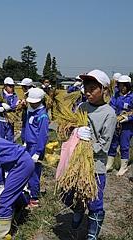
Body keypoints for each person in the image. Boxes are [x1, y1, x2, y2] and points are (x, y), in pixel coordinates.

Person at [63, 69, 117, 240]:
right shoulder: (81, 107)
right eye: (86, 88)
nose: (87, 92)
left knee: (94, 201)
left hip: (95, 166)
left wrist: (88, 145)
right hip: (76, 163)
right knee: (69, 195)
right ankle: (78, 209)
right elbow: (70, 129)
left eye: (92, 88)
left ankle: (93, 232)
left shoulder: (109, 113)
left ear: (104, 90)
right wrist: (75, 131)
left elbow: (104, 145)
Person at [23, 88, 49, 207]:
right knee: (27, 169)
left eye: (34, 102)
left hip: (35, 147)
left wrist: (38, 152)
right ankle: (29, 190)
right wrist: (25, 142)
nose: (32, 104)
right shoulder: (31, 110)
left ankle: (34, 198)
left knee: (34, 172)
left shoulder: (42, 115)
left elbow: (43, 135)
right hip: (29, 145)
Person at [107, 75, 133, 176]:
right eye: (120, 85)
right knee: (113, 144)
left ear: (128, 86)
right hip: (116, 124)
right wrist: (114, 116)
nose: (122, 88)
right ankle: (109, 165)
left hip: (127, 127)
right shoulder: (116, 96)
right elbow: (112, 106)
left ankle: (123, 167)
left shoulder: (131, 97)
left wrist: (127, 118)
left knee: (124, 145)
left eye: (124, 86)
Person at [0, 77, 18, 142]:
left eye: (13, 86)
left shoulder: (14, 95)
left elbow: (15, 104)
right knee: (0, 137)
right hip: (1, 119)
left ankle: (9, 150)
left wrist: (9, 108)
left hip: (10, 120)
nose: (12, 88)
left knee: (10, 136)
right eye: (10, 86)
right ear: (5, 86)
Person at [17, 78, 34, 145]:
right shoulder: (27, 94)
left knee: (27, 132)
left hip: (29, 118)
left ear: (26, 87)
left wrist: (24, 104)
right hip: (26, 117)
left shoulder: (31, 94)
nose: (21, 88)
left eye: (22, 87)